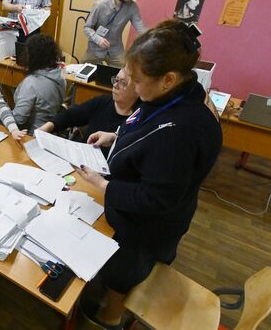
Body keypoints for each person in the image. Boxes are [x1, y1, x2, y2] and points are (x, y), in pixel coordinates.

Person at [76, 19, 222, 329]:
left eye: (138, 80)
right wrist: (115, 135)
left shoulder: (180, 131)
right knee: (121, 264)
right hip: (147, 209)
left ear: (168, 79)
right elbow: (145, 131)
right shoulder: (180, 94)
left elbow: (157, 197)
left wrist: (103, 185)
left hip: (147, 226)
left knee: (124, 271)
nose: (134, 87)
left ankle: (110, 317)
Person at [37, 67, 139, 157]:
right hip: (83, 160)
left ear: (137, 90)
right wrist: (46, 127)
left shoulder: (140, 116)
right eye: (116, 80)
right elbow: (70, 116)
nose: (116, 85)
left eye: (123, 83)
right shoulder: (103, 101)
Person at [83, 0, 145, 67]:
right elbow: (87, 28)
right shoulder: (100, 5)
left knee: (123, 75)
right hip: (95, 48)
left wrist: (152, 39)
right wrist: (98, 39)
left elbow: (141, 29)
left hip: (115, 50)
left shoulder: (133, 7)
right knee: (83, 73)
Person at [12, 34, 65, 135]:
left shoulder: (31, 83)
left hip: (32, 135)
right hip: (52, 133)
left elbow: (19, 119)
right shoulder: (60, 77)